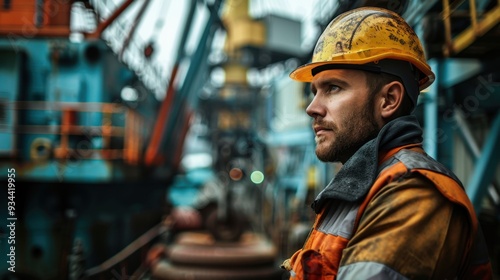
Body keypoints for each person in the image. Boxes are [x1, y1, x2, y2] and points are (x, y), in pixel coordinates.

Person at [280, 7, 493, 279]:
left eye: (333, 88)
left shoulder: (414, 194)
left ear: (389, 99)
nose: (312, 108)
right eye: (314, 92)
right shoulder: (361, 189)